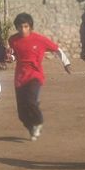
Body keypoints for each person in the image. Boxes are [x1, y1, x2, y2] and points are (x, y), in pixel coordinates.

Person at [8, 13, 72, 141]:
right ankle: (31, 127)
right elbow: (15, 54)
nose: (23, 30)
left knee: (31, 101)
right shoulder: (13, 40)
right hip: (20, 77)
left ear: (30, 27)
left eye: (26, 26)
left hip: (35, 75)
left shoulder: (39, 39)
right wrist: (11, 57)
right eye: (20, 27)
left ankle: (38, 122)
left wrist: (66, 63)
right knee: (21, 113)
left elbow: (56, 49)